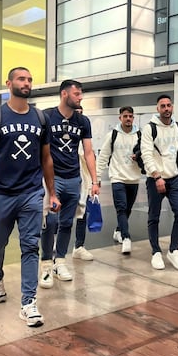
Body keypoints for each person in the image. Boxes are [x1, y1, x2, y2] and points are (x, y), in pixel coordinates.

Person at [0, 67, 60, 327]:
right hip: (1, 193)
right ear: (9, 83)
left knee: (30, 246)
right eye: (21, 79)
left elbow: (46, 158)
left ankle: (28, 303)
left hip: (31, 193)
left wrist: (52, 192)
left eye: (30, 79)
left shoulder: (40, 118)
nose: (26, 83)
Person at [39, 80, 99, 289]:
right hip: (51, 179)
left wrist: (94, 180)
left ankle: (60, 261)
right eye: (76, 94)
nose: (80, 97)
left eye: (81, 94)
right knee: (50, 222)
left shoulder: (83, 121)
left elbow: (88, 152)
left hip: (73, 179)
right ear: (64, 94)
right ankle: (46, 264)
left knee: (66, 223)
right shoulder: (46, 116)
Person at [140, 94, 178, 270]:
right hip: (156, 179)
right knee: (154, 216)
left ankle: (173, 249)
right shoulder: (149, 128)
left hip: (175, 178)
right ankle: (155, 251)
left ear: (172, 107)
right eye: (163, 106)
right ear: (157, 108)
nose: (166, 109)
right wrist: (157, 176)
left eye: (169, 105)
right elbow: (146, 153)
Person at [96, 106, 141, 254]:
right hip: (117, 177)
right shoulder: (113, 135)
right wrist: (96, 176)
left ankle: (118, 230)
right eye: (125, 116)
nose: (128, 118)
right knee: (121, 207)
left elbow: (148, 153)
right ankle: (126, 237)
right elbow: (103, 156)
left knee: (127, 208)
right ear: (120, 117)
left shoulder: (140, 135)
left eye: (130, 116)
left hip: (133, 178)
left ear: (133, 118)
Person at [72, 105, 94, 261]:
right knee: (57, 214)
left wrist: (95, 181)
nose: (78, 116)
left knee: (82, 212)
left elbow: (90, 156)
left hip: (83, 180)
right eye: (76, 112)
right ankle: (51, 246)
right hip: (64, 179)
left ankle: (79, 246)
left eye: (81, 112)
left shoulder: (85, 137)